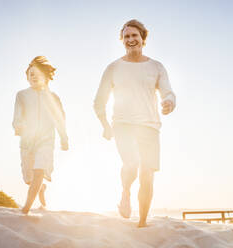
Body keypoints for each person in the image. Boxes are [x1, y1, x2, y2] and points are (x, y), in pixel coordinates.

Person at [93, 20, 176, 227]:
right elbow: (99, 101)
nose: (131, 40)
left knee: (147, 175)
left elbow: (168, 91)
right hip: (123, 124)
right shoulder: (113, 67)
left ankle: (142, 221)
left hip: (150, 126)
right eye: (127, 36)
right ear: (122, 40)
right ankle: (126, 192)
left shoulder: (156, 67)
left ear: (143, 39)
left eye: (134, 36)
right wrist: (105, 125)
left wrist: (169, 102)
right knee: (132, 163)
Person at [13, 56, 69, 214]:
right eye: (31, 74)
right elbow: (17, 115)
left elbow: (60, 118)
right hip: (27, 142)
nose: (34, 76)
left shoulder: (53, 97)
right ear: (27, 78)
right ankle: (41, 188)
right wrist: (18, 126)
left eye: (37, 73)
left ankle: (26, 208)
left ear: (46, 76)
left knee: (39, 171)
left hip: (46, 140)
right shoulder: (22, 95)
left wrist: (64, 138)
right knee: (29, 178)